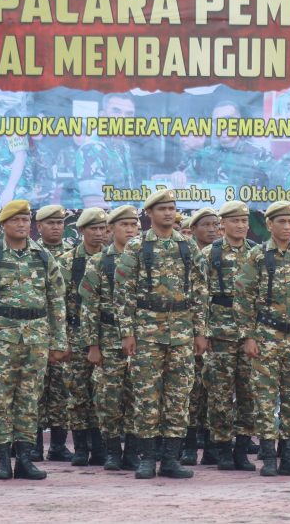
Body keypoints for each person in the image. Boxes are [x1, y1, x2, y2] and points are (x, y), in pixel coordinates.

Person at [0, 199, 67, 481]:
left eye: (25, 220)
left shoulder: (43, 257)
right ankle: (2, 461)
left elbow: (57, 301)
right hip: (0, 338)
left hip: (36, 338)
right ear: (4, 224)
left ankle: (25, 459)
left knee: (29, 399)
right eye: (15, 220)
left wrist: (59, 341)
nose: (21, 225)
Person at [114, 189, 209, 480]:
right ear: (149, 213)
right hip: (147, 331)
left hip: (181, 331)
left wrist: (200, 331)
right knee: (146, 395)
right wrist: (127, 332)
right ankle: (147, 458)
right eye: (162, 208)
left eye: (172, 208)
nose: (168, 213)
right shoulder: (137, 246)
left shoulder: (187, 246)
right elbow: (123, 292)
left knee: (178, 396)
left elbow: (200, 290)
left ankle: (170, 459)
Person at [234, 201, 290, 478]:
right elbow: (243, 297)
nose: (286, 227)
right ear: (269, 225)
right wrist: (248, 336)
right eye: (281, 222)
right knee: (264, 398)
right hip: (266, 336)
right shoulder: (258, 256)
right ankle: (269, 456)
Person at [79, 204, 141, 471]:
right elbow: (89, 306)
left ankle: (134, 451)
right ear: (111, 229)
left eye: (134, 225)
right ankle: (113, 451)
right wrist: (92, 345)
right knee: (108, 397)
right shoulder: (99, 261)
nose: (130, 230)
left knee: (138, 396)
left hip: (141, 338)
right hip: (108, 338)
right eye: (124, 225)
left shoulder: (145, 257)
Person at [202, 200, 257, 472]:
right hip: (220, 334)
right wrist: (202, 332)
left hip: (250, 335)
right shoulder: (209, 254)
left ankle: (242, 449)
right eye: (235, 221)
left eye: (244, 221)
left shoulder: (257, 253)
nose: (241, 226)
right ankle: (222, 448)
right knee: (220, 394)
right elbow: (200, 295)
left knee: (249, 393)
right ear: (222, 224)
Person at [59, 207, 109, 466]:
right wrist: (62, 339)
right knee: (78, 392)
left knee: (103, 393)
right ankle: (80, 448)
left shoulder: (113, 259)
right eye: (93, 228)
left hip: (106, 334)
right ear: (81, 230)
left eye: (102, 228)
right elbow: (58, 303)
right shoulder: (68, 262)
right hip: (75, 333)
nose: (99, 233)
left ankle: (100, 448)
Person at [32, 204, 72, 461]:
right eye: (51, 223)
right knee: (33, 388)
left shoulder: (72, 253)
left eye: (60, 223)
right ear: (39, 226)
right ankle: (33, 445)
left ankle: (58, 445)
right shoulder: (31, 254)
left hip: (63, 330)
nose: (56, 227)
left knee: (61, 389)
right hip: (34, 329)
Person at [181, 207, 220, 466]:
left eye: (215, 225)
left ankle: (212, 444)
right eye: (205, 225)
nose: (212, 230)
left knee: (214, 390)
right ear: (193, 229)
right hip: (193, 331)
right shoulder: (187, 255)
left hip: (221, 330)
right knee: (192, 391)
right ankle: (188, 445)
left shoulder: (224, 253)